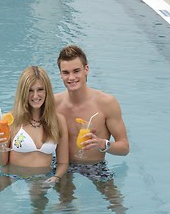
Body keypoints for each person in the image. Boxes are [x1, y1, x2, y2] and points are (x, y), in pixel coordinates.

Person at [0, 66, 69, 213]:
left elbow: (63, 162)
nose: (35, 95)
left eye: (40, 89)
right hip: (9, 175)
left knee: (44, 209)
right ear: (23, 92)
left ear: (47, 91)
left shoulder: (58, 121)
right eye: (30, 90)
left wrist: (56, 177)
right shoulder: (10, 120)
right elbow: (0, 163)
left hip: (41, 179)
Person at [54, 44, 130, 212]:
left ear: (86, 69)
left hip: (96, 166)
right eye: (66, 72)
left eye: (76, 71)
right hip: (63, 165)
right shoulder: (54, 104)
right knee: (62, 207)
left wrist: (104, 144)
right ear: (60, 74)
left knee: (118, 207)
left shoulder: (106, 103)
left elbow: (124, 148)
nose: (71, 77)